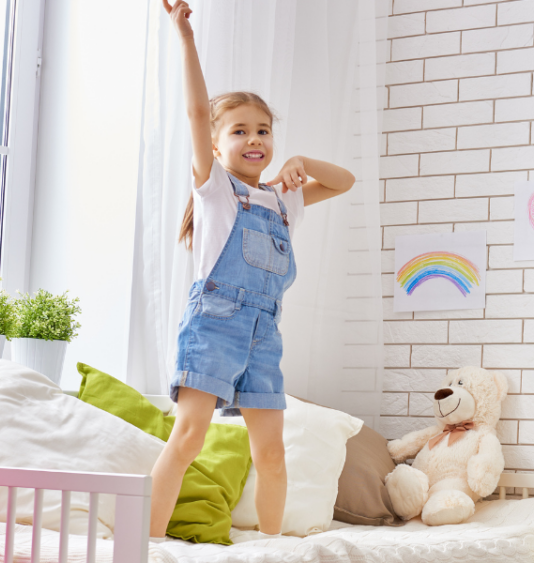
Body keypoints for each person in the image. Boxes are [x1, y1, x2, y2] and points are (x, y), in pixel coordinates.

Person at [149, 0, 355, 539]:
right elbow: (197, 113)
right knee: (189, 436)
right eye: (239, 131)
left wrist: (303, 164)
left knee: (273, 453)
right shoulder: (217, 192)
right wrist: (186, 39)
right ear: (217, 146)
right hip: (215, 324)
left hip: (265, 334)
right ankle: (144, 540)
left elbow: (344, 180)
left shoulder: (285, 202)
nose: (255, 140)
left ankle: (269, 548)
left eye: (263, 131)